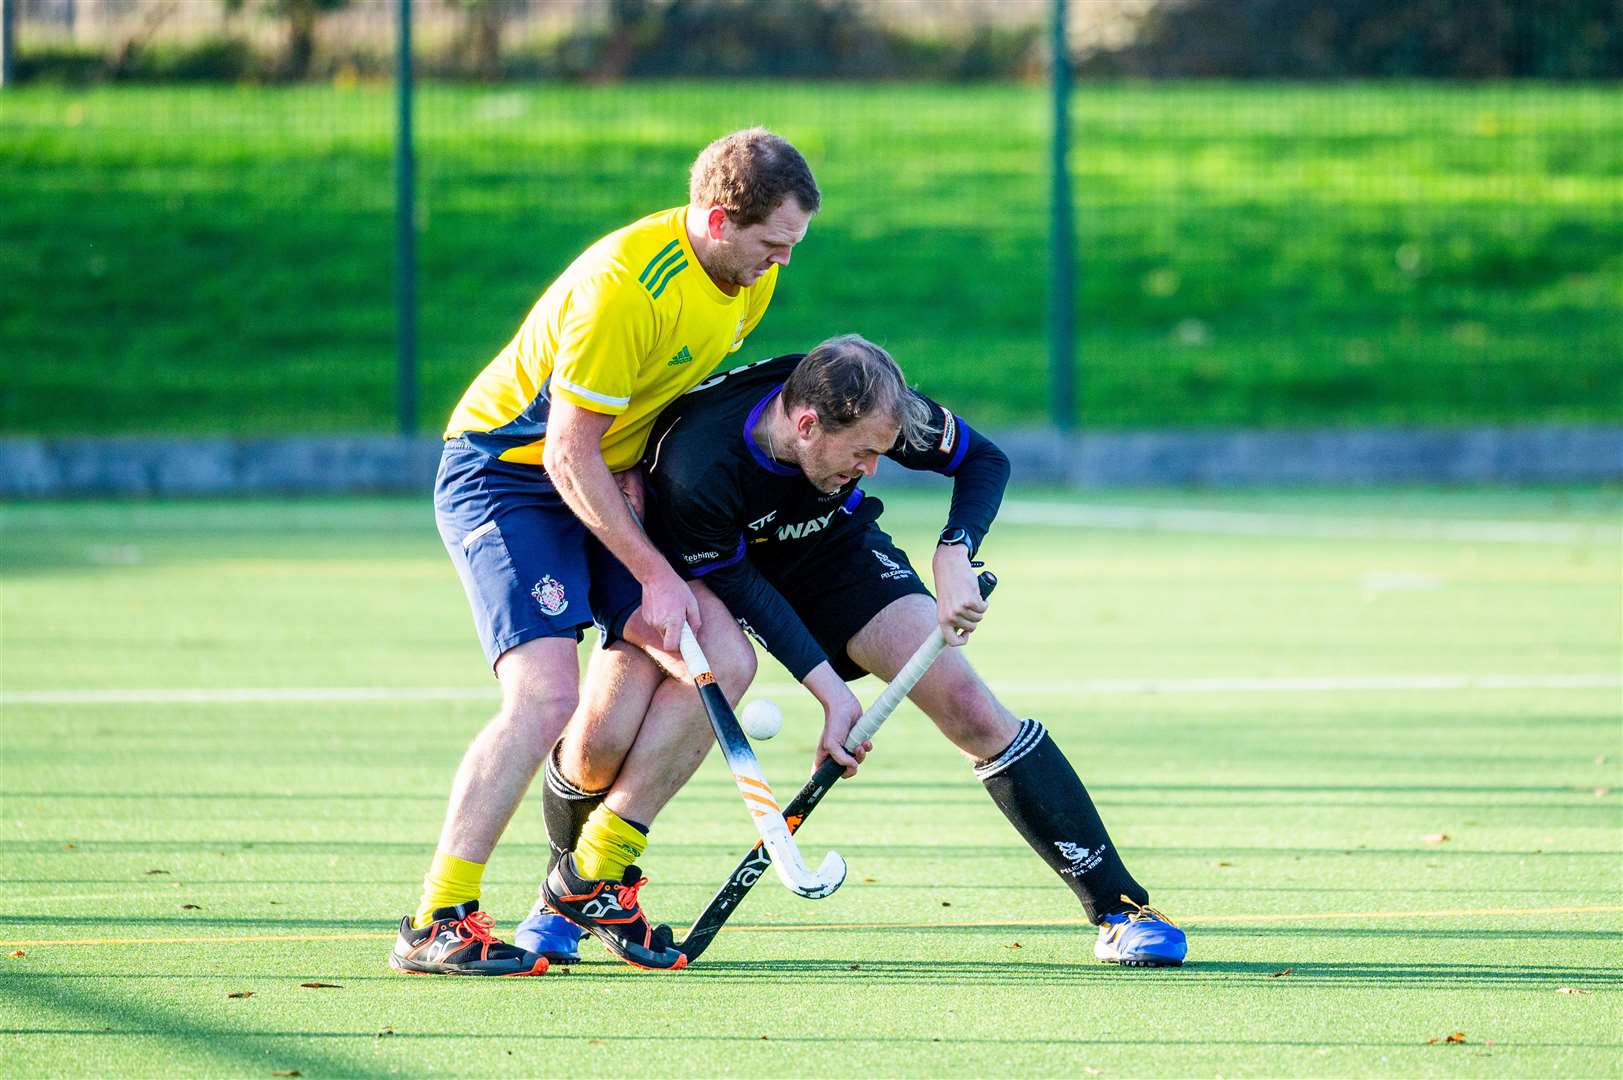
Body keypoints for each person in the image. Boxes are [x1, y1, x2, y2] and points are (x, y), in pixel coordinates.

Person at [541, 335, 1188, 968]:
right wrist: (831, 692)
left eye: (883, 450)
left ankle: (1119, 907)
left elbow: (983, 461)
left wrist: (954, 549)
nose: (874, 466)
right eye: (863, 452)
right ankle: (567, 895)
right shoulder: (699, 462)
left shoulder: (870, 401)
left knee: (967, 701)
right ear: (806, 424)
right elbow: (742, 586)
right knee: (603, 738)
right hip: (701, 566)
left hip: (831, 552)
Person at [389, 129, 819, 977]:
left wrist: (640, 504)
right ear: (718, 218)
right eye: (772, 243)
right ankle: (437, 915)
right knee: (545, 695)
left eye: (792, 246)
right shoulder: (625, 288)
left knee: (723, 662)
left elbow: (644, 412)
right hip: (508, 477)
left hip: (603, 475)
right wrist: (655, 575)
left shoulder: (746, 280)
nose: (781, 264)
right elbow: (561, 453)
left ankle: (594, 876)